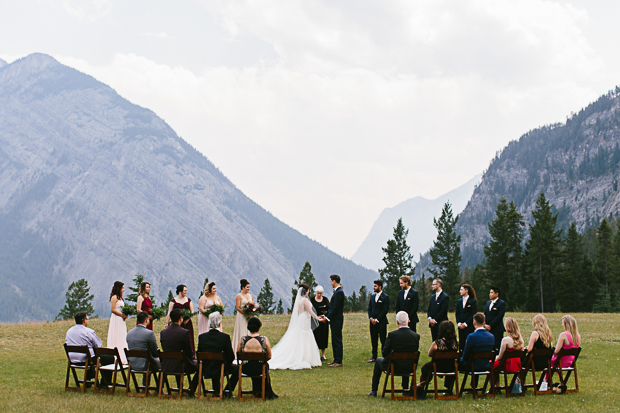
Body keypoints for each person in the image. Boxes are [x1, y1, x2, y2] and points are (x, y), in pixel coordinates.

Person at [269, 283, 322, 370]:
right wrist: (318, 318)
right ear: (306, 291)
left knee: (301, 336)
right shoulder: (304, 300)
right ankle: (304, 357)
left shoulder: (299, 299)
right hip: (305, 319)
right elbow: (310, 311)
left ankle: (304, 356)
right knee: (305, 336)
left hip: (302, 318)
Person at [368, 311, 420, 397]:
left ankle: (374, 390)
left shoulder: (392, 335)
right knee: (406, 358)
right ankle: (405, 389)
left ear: (397, 322)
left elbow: (384, 352)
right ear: (408, 320)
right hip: (410, 367)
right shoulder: (416, 336)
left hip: (393, 366)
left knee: (378, 361)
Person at [65, 312, 114, 386]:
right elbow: (98, 345)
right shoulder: (88, 331)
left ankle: (87, 379)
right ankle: (105, 383)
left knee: (92, 358)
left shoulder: (69, 331)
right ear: (84, 320)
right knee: (109, 358)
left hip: (72, 359)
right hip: (86, 359)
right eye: (87, 319)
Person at [196, 312, 237, 396]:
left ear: (208, 323)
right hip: (221, 367)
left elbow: (200, 353)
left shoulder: (202, 337)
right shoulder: (224, 337)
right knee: (238, 369)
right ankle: (227, 391)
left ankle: (217, 390)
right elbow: (231, 357)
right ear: (219, 323)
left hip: (206, 367)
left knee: (214, 364)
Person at [160, 308, 199, 395]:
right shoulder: (184, 332)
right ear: (181, 318)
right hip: (181, 365)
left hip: (167, 364)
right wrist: (192, 358)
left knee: (178, 358)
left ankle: (180, 387)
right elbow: (189, 352)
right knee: (201, 365)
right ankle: (191, 390)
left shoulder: (163, 332)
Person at [238, 317, 278, 399]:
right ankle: (263, 391)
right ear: (259, 328)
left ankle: (257, 391)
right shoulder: (264, 339)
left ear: (248, 327)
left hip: (246, 368)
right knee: (264, 365)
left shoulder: (242, 339)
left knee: (253, 364)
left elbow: (238, 353)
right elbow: (269, 356)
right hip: (260, 368)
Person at [417, 320, 459, 393]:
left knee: (426, 367)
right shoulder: (455, 343)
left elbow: (429, 354)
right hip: (450, 367)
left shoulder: (437, 343)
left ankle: (421, 387)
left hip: (438, 366)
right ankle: (449, 389)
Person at [319, 274, 345, 367]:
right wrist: (325, 315)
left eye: (330, 281)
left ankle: (338, 361)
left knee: (337, 340)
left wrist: (327, 318)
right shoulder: (337, 292)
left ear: (334, 281)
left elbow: (335, 309)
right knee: (334, 340)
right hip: (334, 320)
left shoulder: (339, 292)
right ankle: (335, 359)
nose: (330, 283)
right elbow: (331, 309)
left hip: (337, 320)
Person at [547, 315, 581, 381]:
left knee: (546, 362)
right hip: (570, 362)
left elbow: (556, 351)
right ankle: (547, 382)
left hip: (560, 361)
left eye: (563, 323)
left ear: (566, 324)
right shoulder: (577, 336)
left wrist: (552, 351)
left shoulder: (563, 335)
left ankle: (545, 382)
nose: (562, 325)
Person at [492, 317, 523, 387]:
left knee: (490, 364)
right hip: (517, 365)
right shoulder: (520, 339)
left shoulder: (506, 340)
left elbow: (500, 357)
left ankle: (495, 387)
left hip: (508, 365)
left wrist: (495, 357)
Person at [167, 284, 195, 357]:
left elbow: (192, 312)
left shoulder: (189, 300)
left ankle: (190, 354)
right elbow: (169, 312)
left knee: (189, 338)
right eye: (184, 290)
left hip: (187, 323)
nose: (186, 292)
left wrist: (187, 319)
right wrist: (167, 323)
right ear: (180, 291)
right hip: (177, 323)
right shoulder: (173, 301)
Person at [367, 279, 389, 362]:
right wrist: (371, 318)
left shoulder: (385, 297)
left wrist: (377, 319)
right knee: (373, 339)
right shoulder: (372, 297)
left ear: (380, 287)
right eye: (373, 286)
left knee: (383, 340)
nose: (374, 288)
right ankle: (374, 356)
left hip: (381, 322)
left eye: (375, 286)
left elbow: (385, 310)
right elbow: (369, 308)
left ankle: (384, 356)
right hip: (372, 322)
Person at [107, 281, 129, 364]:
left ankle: (123, 356)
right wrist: (121, 315)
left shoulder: (120, 298)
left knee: (122, 335)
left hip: (121, 319)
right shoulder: (114, 297)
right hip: (116, 318)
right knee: (116, 334)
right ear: (119, 288)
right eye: (122, 288)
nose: (123, 289)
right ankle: (116, 356)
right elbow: (112, 309)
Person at [232, 278, 253, 355]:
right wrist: (245, 313)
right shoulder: (239, 296)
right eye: (247, 287)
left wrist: (251, 312)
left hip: (249, 317)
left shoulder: (250, 296)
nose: (248, 289)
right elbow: (238, 307)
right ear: (243, 287)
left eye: (249, 287)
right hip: (241, 316)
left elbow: (252, 306)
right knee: (242, 331)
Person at [455, 284, 478, 352]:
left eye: (461, 289)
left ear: (466, 290)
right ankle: (461, 358)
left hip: (469, 326)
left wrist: (465, 324)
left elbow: (473, 314)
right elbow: (457, 313)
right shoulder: (459, 301)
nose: (460, 291)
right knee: (461, 342)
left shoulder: (473, 301)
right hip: (460, 326)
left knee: (469, 342)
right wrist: (459, 323)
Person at [310, 285, 330, 360]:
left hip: (324, 322)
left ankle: (323, 355)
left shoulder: (325, 300)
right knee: (315, 337)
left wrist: (325, 315)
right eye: (318, 293)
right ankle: (315, 355)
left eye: (320, 293)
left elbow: (329, 309)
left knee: (323, 337)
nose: (319, 295)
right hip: (315, 322)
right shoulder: (312, 300)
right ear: (315, 292)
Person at [484, 286, 506, 352]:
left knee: (496, 347)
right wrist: (485, 325)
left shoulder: (501, 303)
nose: (489, 294)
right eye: (489, 292)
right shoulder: (488, 303)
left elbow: (499, 316)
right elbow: (485, 314)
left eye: (491, 293)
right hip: (488, 329)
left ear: (497, 294)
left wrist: (491, 325)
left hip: (497, 329)